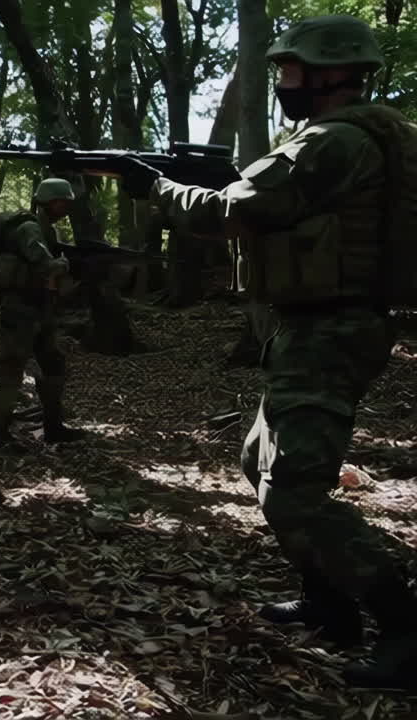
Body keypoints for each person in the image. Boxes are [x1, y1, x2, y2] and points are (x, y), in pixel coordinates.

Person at [119, 15, 417, 689]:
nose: (283, 82)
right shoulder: (349, 136)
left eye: (293, 71)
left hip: (332, 330)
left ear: (333, 77)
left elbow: (233, 212)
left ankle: (404, 627)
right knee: (259, 458)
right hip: (319, 324)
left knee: (295, 495)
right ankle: (328, 603)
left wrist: (156, 188)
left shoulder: (335, 142)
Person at [0, 177, 87, 448]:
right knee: (12, 370)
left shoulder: (45, 228)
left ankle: (53, 427)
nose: (67, 207)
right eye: (63, 202)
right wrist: (64, 264)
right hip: (19, 309)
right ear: (50, 201)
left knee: (53, 365)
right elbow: (43, 262)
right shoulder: (30, 229)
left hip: (40, 308)